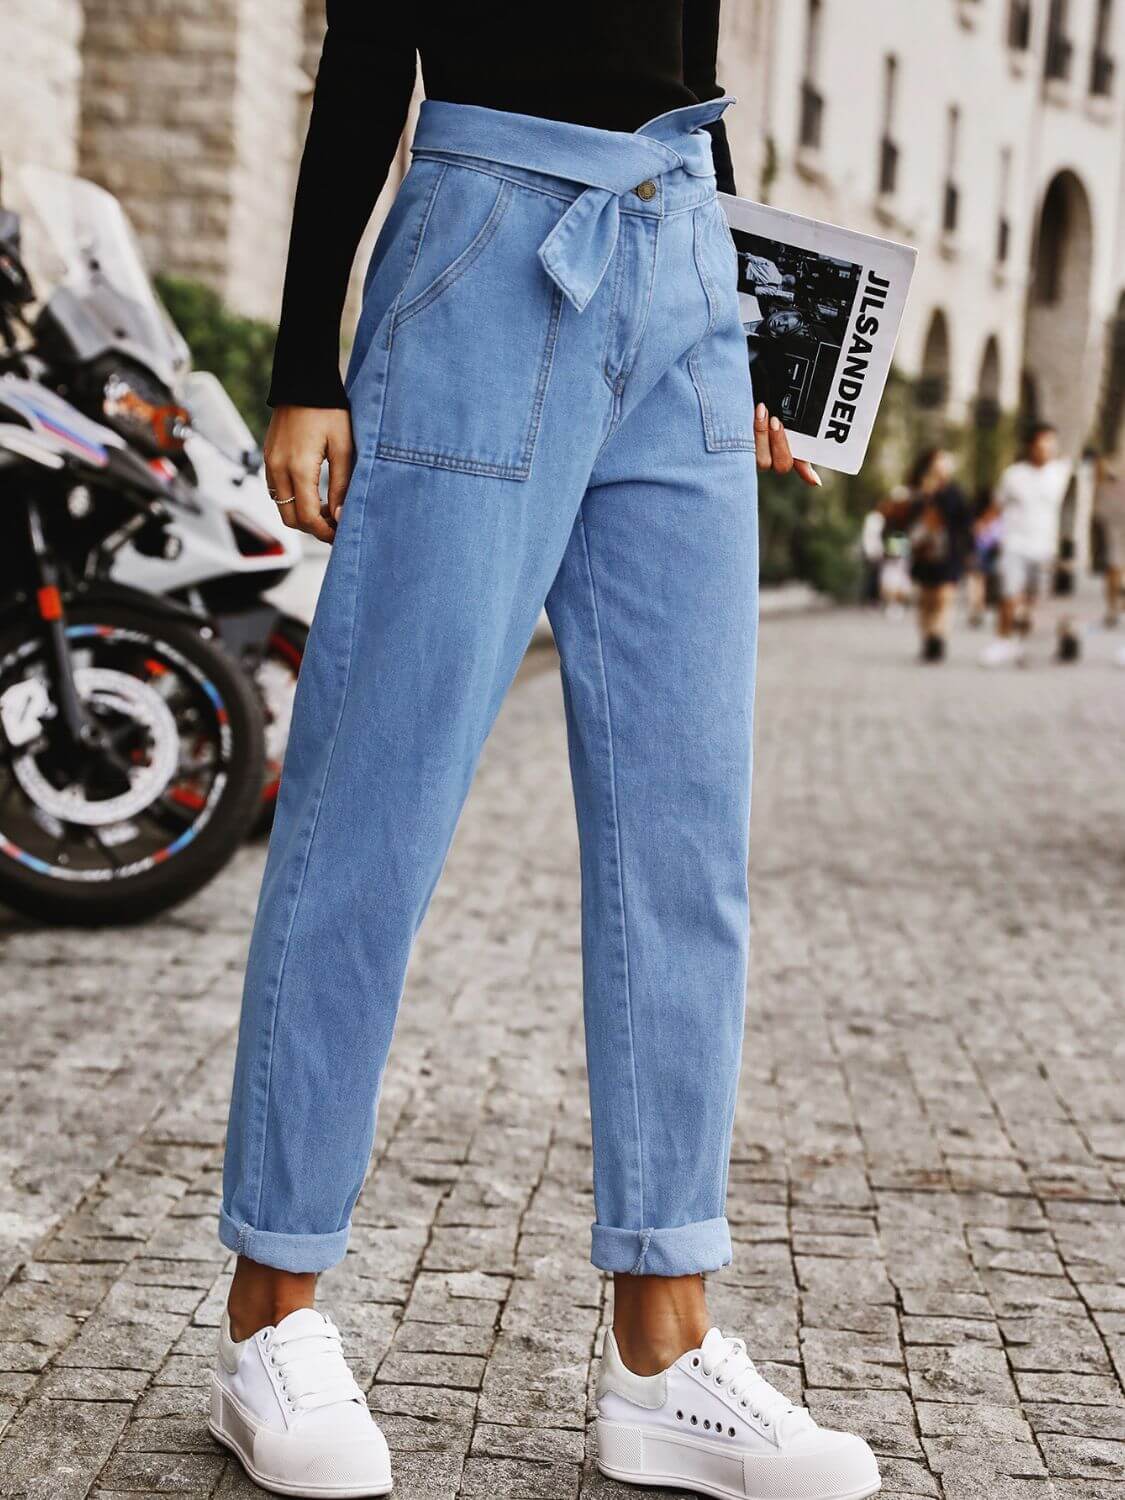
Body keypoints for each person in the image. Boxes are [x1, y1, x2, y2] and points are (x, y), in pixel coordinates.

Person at [209, 5, 880, 1500]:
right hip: (484, 254)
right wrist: (305, 356)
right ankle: (272, 1313)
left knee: (686, 838)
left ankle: (664, 1345)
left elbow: (685, 47)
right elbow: (370, 37)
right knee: (372, 807)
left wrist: (757, 315)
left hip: (686, 247)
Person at [979, 423, 1071, 667]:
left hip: (1044, 548)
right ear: (1031, 446)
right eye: (1041, 444)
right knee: (1010, 595)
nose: (1046, 449)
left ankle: (1022, 644)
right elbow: (996, 507)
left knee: (1034, 603)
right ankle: (1002, 640)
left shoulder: (1060, 473)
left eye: (1050, 444)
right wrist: (981, 530)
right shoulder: (1014, 474)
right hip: (1014, 544)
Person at [886, 447, 971, 662]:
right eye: (941, 460)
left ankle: (937, 636)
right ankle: (927, 638)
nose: (945, 464)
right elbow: (902, 520)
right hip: (923, 554)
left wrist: (968, 550)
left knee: (943, 597)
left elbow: (964, 522)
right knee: (926, 599)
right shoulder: (916, 491)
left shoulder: (954, 492)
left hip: (948, 554)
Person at [1095, 452, 1125, 627]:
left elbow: (1099, 470)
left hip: (1110, 500)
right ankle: (1114, 607)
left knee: (1114, 561)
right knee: (1114, 562)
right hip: (1113, 503)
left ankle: (1114, 608)